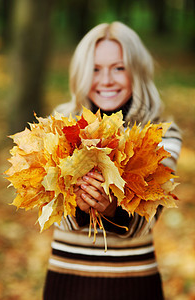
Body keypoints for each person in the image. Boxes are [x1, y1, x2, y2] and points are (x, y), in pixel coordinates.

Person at [43, 21, 182, 300]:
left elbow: (146, 221)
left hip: (132, 283)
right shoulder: (60, 129)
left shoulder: (160, 135)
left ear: (138, 71)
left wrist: (111, 210)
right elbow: (59, 217)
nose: (106, 80)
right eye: (94, 69)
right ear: (81, 74)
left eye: (119, 68)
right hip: (67, 281)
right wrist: (81, 207)